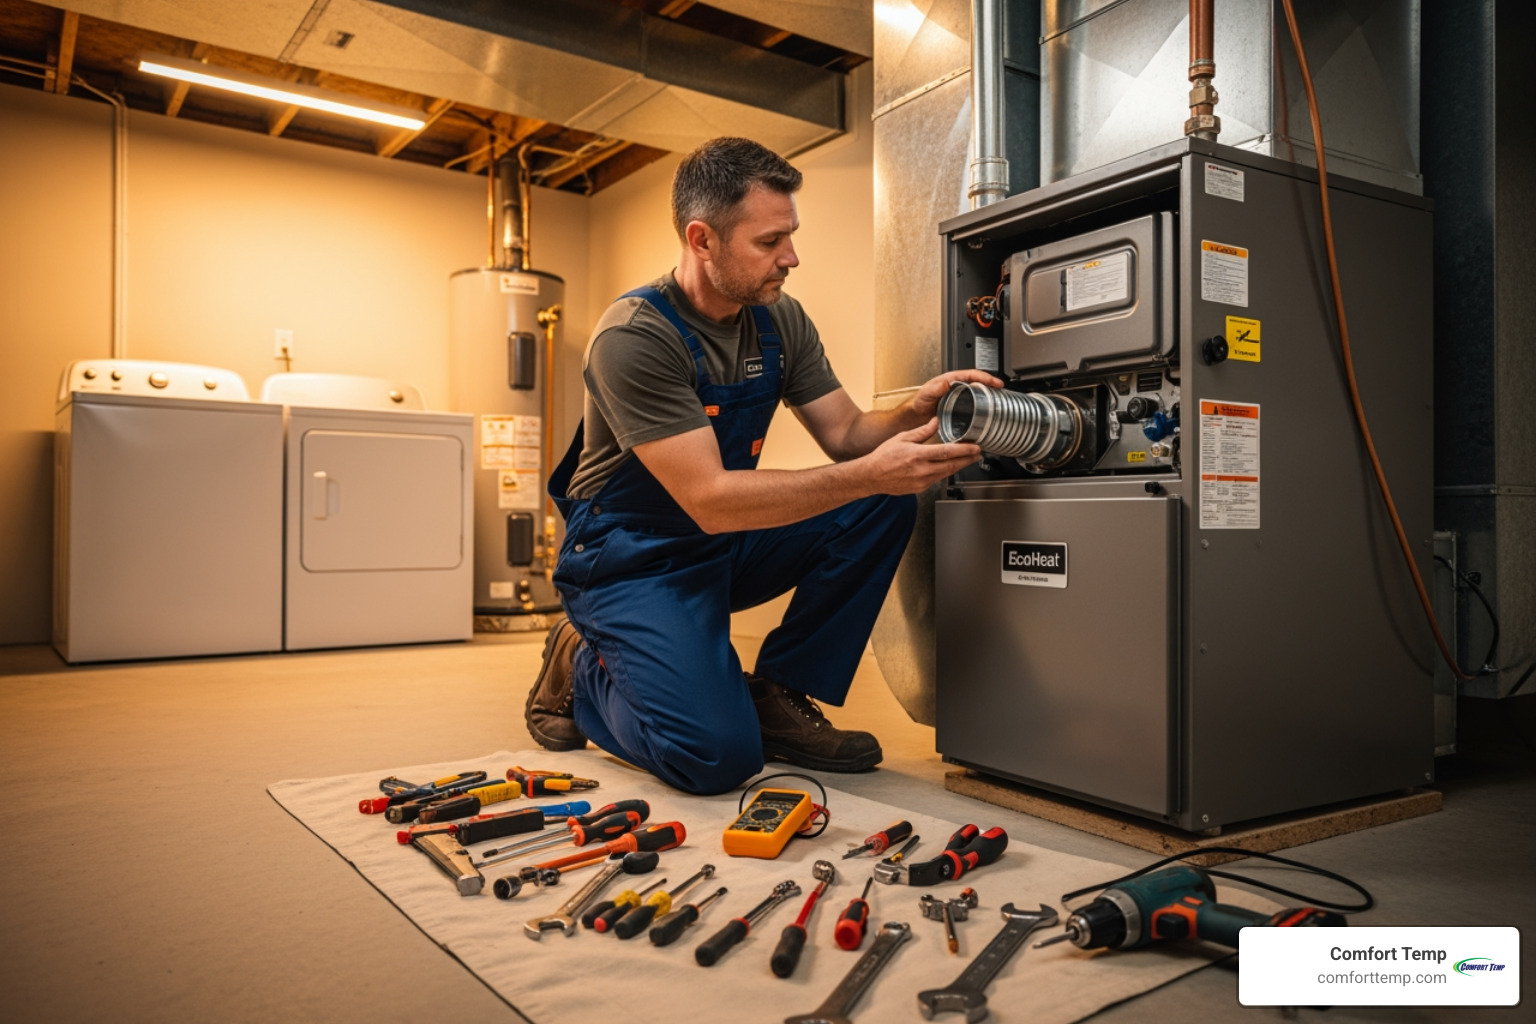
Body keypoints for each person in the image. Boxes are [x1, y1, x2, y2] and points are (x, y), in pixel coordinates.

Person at [524, 136, 999, 795]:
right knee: (713, 758)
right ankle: (581, 664)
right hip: (632, 560)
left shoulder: (778, 320)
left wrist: (913, 414)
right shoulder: (635, 336)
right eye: (770, 241)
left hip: (719, 544)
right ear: (702, 239)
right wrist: (870, 471)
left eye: (791, 236)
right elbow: (711, 498)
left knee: (881, 502)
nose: (792, 257)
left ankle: (780, 693)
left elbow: (849, 434)